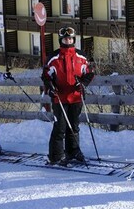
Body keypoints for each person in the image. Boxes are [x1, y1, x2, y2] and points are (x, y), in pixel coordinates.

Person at [42, 27, 94, 166]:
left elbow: (89, 73)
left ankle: (73, 151)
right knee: (60, 127)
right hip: (60, 97)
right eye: (65, 39)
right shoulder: (54, 58)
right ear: (61, 40)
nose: (68, 41)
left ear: (74, 39)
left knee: (74, 126)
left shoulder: (81, 56)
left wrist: (82, 83)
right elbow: (46, 76)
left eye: (70, 39)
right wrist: (51, 88)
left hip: (76, 96)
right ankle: (56, 156)